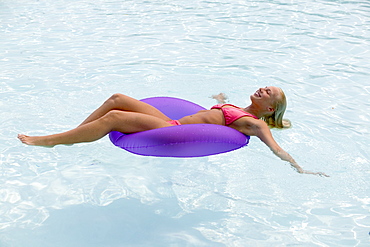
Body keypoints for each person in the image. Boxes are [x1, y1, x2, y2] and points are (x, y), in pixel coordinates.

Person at [18, 86, 328, 176]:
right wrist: (219, 99)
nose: (261, 89)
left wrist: (298, 167)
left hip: (172, 128)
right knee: (117, 98)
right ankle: (76, 131)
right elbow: (219, 111)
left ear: (270, 109)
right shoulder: (240, 108)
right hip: (173, 120)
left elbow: (273, 146)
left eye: (268, 93)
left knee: (114, 116)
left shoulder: (255, 123)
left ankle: (50, 142)